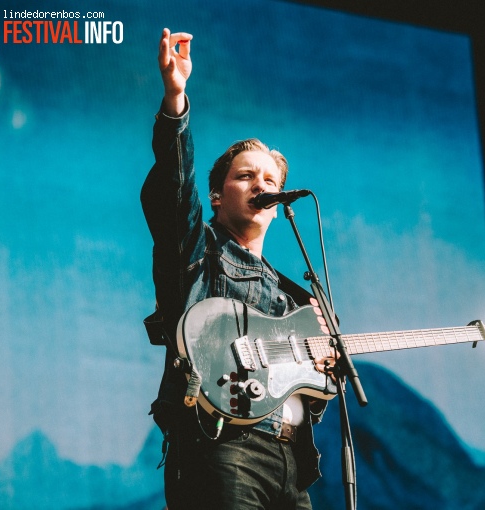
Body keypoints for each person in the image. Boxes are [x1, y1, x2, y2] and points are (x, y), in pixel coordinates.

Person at [140, 28, 333, 510]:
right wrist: (175, 102)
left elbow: (309, 381)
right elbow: (173, 194)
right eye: (246, 176)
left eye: (270, 180)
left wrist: (328, 362)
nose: (260, 185)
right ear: (218, 196)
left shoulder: (292, 295)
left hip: (294, 464)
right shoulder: (199, 254)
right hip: (225, 450)